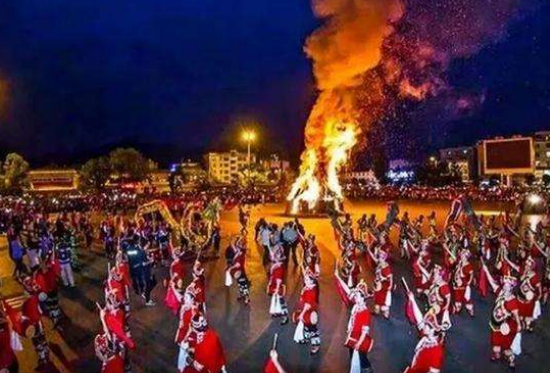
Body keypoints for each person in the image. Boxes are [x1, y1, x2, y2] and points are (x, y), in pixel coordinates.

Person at [345, 281, 374, 373]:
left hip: (360, 339)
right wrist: (349, 330)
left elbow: (364, 332)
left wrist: (359, 343)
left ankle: (367, 369)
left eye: (357, 296)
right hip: (353, 335)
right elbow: (349, 296)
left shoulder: (365, 313)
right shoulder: (356, 306)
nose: (355, 297)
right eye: (355, 295)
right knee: (352, 353)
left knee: (362, 355)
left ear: (363, 298)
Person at [292, 269, 320, 355]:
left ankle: (316, 344)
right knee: (306, 326)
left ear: (312, 281)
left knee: (312, 328)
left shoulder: (311, 290)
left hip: (309, 312)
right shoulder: (307, 287)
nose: (305, 281)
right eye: (305, 279)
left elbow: (308, 305)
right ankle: (306, 338)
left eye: (307, 280)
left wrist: (302, 314)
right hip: (306, 310)